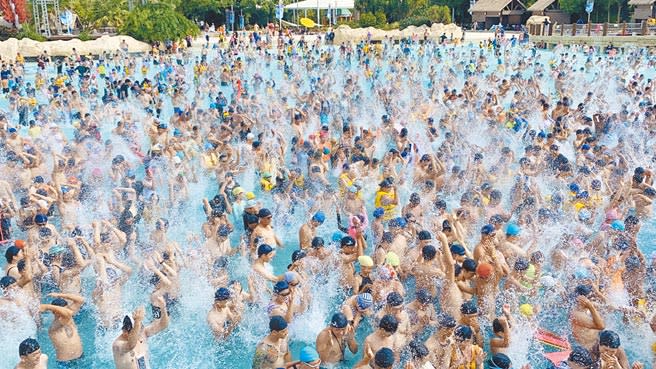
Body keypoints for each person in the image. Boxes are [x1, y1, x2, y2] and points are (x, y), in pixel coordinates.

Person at [112, 298, 169, 369]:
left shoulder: (143, 333)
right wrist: (137, 321)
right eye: (136, 330)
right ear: (124, 331)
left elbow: (163, 325)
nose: (139, 334)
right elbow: (131, 345)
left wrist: (163, 307)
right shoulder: (118, 345)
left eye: (140, 329)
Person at [39, 293, 85, 364]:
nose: (65, 311)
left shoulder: (68, 317)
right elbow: (68, 313)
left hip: (81, 357)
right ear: (54, 312)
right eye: (61, 310)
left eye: (66, 308)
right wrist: (48, 307)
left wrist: (60, 295)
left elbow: (80, 300)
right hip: (66, 363)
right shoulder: (55, 326)